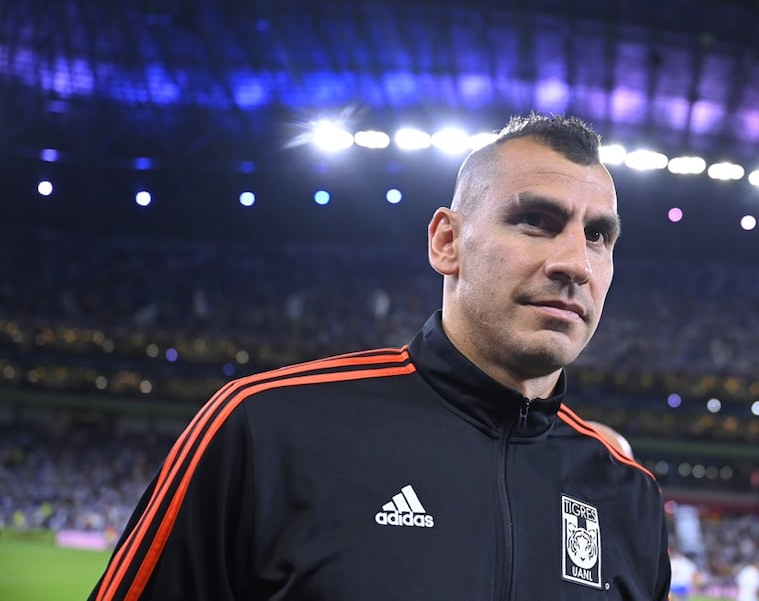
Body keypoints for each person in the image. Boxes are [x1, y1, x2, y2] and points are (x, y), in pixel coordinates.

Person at [88, 113, 672, 600]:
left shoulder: (629, 496)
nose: (576, 262)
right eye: (536, 222)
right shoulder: (267, 428)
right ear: (447, 242)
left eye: (598, 235)